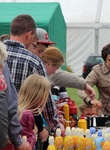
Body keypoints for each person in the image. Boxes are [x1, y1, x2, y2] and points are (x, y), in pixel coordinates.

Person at [3, 14, 59, 144]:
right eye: (34, 40)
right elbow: (46, 101)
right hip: (21, 129)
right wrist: (55, 124)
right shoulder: (33, 61)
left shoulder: (2, 55)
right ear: (29, 35)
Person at [29, 27, 96, 98]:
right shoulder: (27, 65)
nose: (41, 55)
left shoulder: (46, 69)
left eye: (44, 52)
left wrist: (84, 85)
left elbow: (61, 75)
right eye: (39, 51)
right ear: (31, 45)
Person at [18, 74, 51, 150]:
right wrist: (34, 133)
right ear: (40, 96)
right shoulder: (27, 115)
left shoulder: (17, 109)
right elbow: (28, 144)